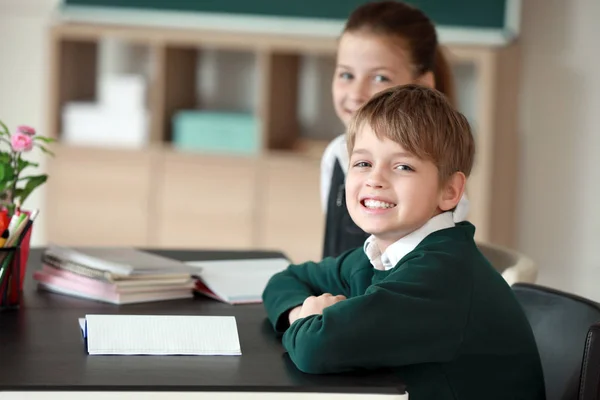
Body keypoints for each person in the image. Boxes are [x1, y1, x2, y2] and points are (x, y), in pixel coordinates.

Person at [263, 85, 545, 400]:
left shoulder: (441, 275)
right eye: (362, 163)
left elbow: (315, 348)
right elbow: (286, 279)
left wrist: (311, 321)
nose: (375, 179)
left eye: (403, 167)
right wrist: (300, 314)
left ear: (450, 191)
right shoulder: (379, 255)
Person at [321, 0, 469, 259]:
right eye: (346, 75)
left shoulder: (436, 179)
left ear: (422, 84)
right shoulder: (335, 153)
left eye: (380, 78)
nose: (356, 94)